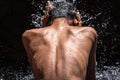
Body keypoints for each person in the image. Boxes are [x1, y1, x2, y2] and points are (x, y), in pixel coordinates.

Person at [22, 1, 97, 80]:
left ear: (47, 18)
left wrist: (43, 27)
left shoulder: (28, 35)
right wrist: (79, 28)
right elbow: (90, 77)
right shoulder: (89, 33)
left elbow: (38, 74)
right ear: (76, 19)